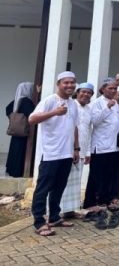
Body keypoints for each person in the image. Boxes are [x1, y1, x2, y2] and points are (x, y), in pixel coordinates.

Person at [29, 71, 79, 236]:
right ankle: (39, 221)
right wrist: (54, 113)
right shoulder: (50, 100)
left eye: (72, 82)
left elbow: (75, 127)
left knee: (59, 187)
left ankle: (54, 217)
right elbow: (32, 119)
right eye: (66, 82)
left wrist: (76, 149)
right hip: (51, 153)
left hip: (66, 153)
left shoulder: (73, 103)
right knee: (43, 188)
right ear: (59, 84)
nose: (70, 85)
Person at [83, 78, 119, 209]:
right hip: (99, 146)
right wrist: (107, 107)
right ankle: (90, 203)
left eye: (115, 88)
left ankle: (105, 200)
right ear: (103, 89)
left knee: (108, 176)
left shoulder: (116, 103)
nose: (113, 91)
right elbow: (95, 121)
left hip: (112, 146)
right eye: (110, 88)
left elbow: (116, 122)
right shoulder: (97, 103)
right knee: (96, 176)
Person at [60, 82, 94, 218]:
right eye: (83, 92)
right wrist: (75, 149)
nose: (86, 95)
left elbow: (89, 131)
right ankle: (59, 211)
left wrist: (87, 152)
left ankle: (70, 210)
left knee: (75, 182)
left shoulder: (89, 109)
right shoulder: (71, 106)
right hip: (69, 150)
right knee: (65, 180)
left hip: (82, 150)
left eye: (89, 93)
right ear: (77, 92)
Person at [5, 82, 35, 177]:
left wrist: (14, 118)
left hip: (16, 131)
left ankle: (11, 169)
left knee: (14, 150)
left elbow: (8, 109)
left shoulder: (16, 101)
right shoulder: (27, 101)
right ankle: (18, 171)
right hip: (24, 132)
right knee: (21, 151)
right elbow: (32, 113)